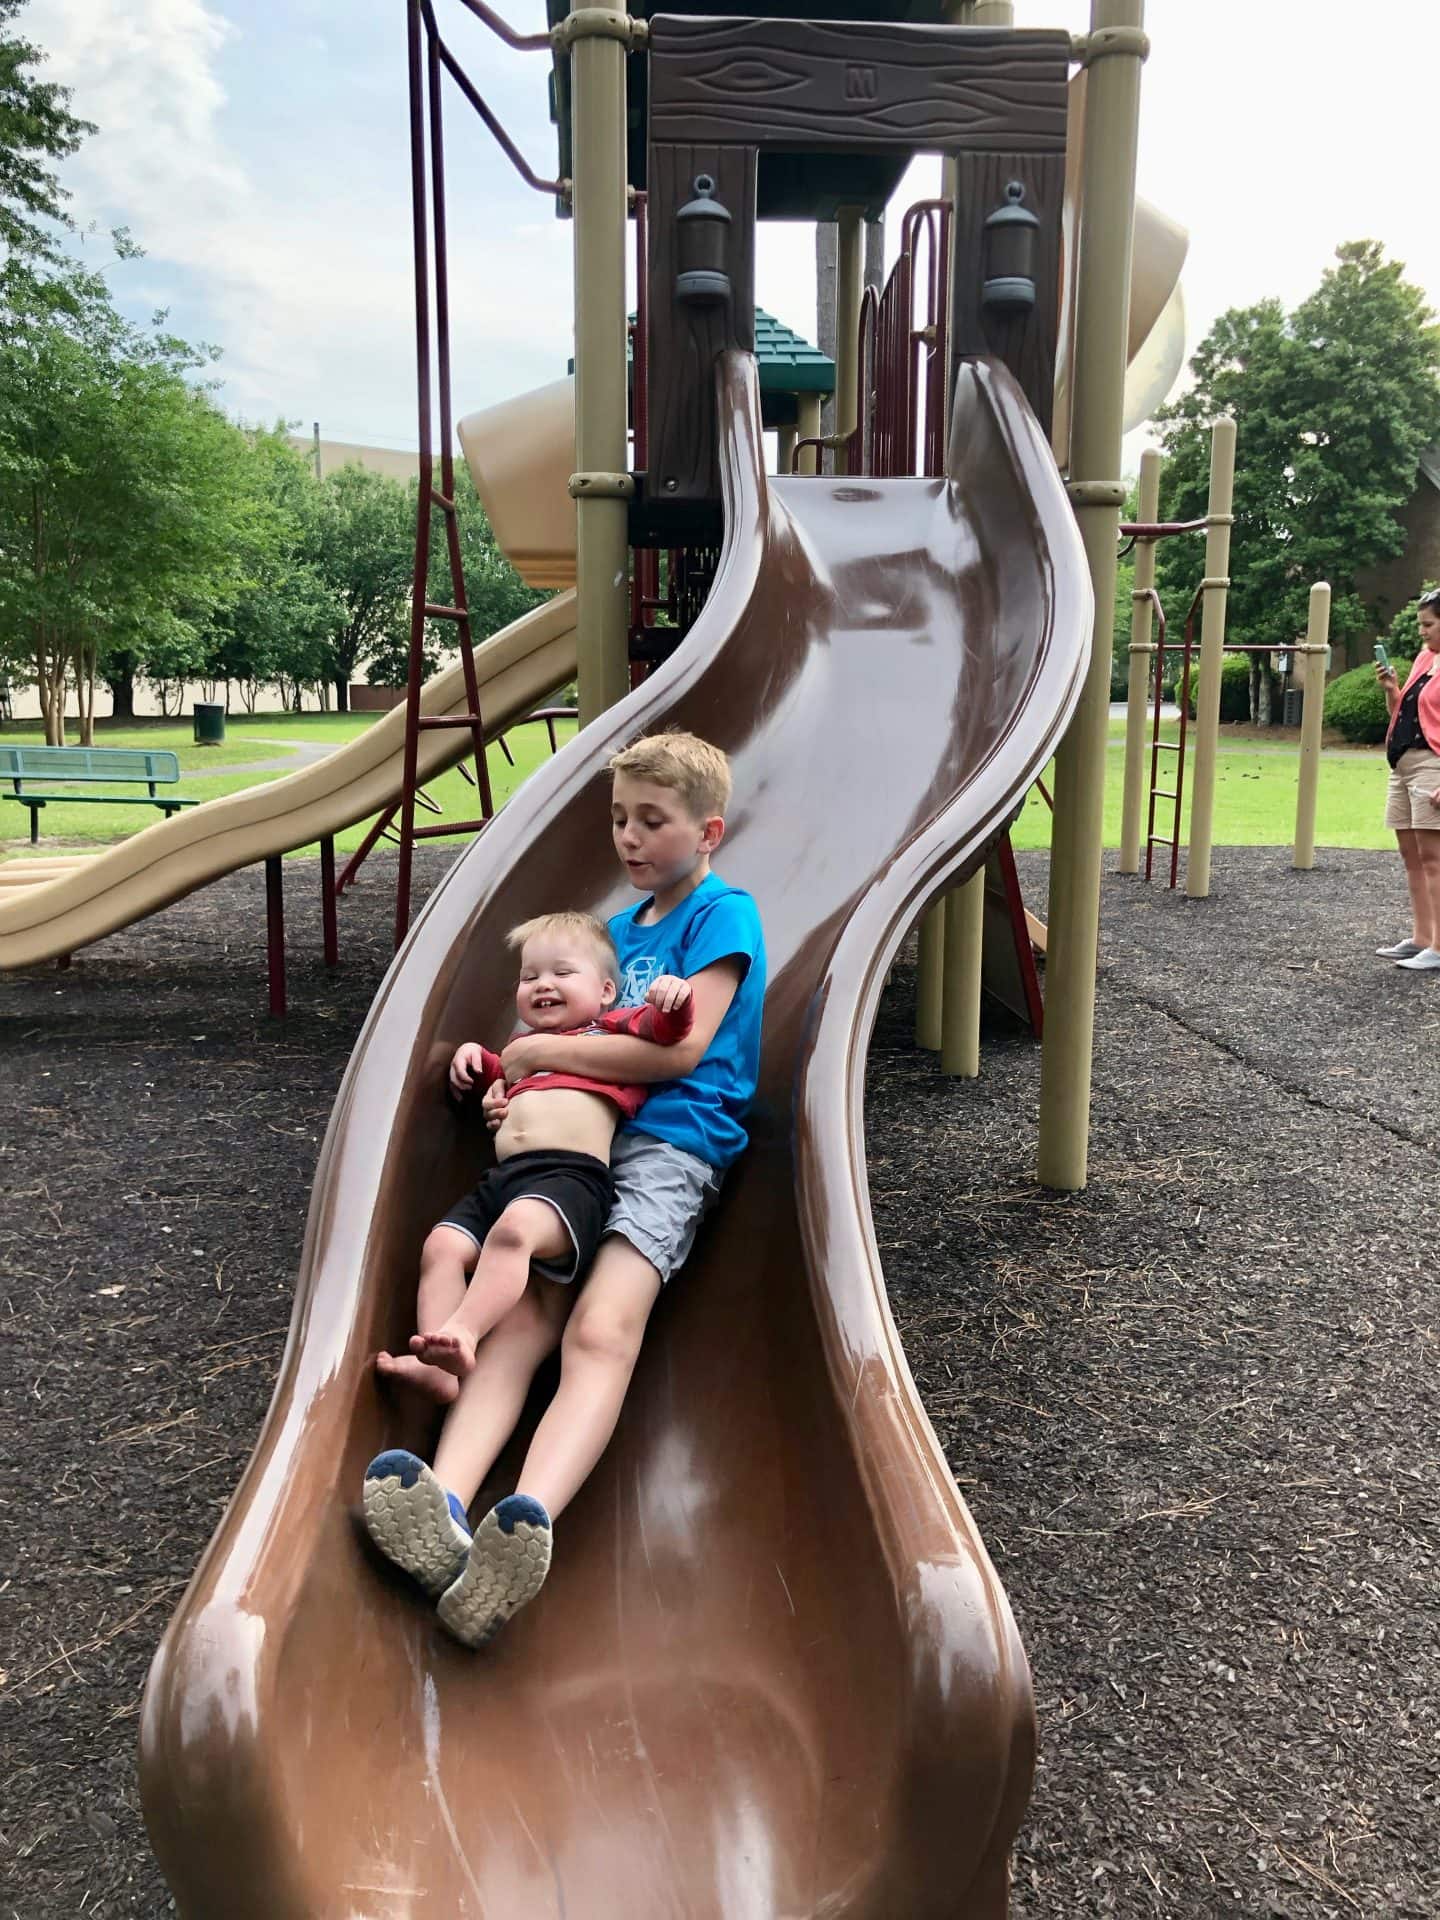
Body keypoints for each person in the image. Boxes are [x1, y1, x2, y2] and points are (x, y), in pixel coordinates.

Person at [362, 731, 766, 1649]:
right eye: (620, 818)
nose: (629, 837)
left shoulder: (723, 915)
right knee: (522, 1322)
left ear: (708, 831)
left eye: (652, 821)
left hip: (675, 1144)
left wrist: (539, 1053)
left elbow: (680, 1048)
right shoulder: (610, 937)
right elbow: (556, 1033)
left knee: (598, 1329)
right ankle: (446, 1504)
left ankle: (525, 1519)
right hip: (582, 1154)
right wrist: (507, 1078)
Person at [374, 911, 695, 1396]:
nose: (544, 984)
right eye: (530, 976)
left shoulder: (609, 1036)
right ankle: (437, 1367)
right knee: (441, 1247)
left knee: (513, 1233)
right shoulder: (522, 1047)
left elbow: (666, 1029)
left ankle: (464, 1332)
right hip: (504, 1180)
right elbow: (494, 1075)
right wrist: (470, 1057)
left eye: (563, 973)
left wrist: (675, 996)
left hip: (570, 1179)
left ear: (607, 991)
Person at [1375, 588, 1440, 971]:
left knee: (1434, 858)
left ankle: (1439, 945)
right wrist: (1391, 691)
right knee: (1411, 855)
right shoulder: (1424, 659)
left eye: (1428, 625)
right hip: (1402, 765)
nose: (1422, 632)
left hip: (1432, 764)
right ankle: (1420, 937)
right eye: (1420, 625)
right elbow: (1402, 711)